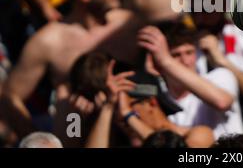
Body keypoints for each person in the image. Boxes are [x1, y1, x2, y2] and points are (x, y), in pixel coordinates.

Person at [0, 0, 142, 141]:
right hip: (77, 128)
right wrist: (37, 140)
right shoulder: (50, 41)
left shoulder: (128, 25)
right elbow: (10, 97)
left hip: (131, 126)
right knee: (68, 106)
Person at [73, 53, 214, 148]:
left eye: (127, 106)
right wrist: (107, 108)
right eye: (117, 109)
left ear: (151, 103)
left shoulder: (198, 134)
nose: (119, 117)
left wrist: (129, 116)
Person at [137, 24, 243, 139]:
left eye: (189, 52)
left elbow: (222, 101)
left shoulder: (220, 76)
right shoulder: (157, 98)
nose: (185, 61)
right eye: (176, 55)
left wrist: (166, 60)